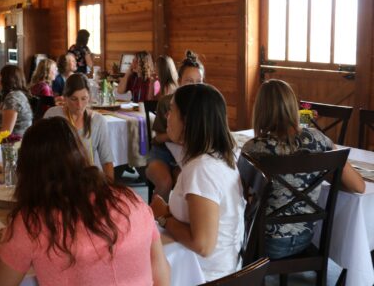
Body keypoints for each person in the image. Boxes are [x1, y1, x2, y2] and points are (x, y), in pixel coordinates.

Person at [0, 117, 170, 286]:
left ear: (28, 173)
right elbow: (162, 279)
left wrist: (9, 241)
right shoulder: (133, 202)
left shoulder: (33, 223)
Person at [241, 79, 364, 259]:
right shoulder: (320, 141)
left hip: (264, 242)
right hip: (305, 239)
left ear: (260, 110)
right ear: (294, 106)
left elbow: (242, 196)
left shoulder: (253, 149)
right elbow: (359, 186)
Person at [150, 83, 245, 282]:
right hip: (209, 265)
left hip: (205, 275)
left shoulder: (203, 169)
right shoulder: (215, 157)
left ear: (188, 120)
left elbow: (203, 244)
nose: (167, 117)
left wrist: (164, 216)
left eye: (172, 110)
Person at [146, 52, 206, 199]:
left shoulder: (205, 106)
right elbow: (157, 139)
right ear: (179, 81)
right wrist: (177, 137)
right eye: (189, 81)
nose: (194, 86)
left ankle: (177, 218)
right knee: (165, 182)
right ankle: (154, 220)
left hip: (187, 155)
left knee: (187, 182)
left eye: (199, 81)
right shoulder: (167, 103)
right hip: (162, 153)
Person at [44, 73, 114, 179]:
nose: (79, 105)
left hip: (87, 181)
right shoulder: (52, 115)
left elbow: (107, 161)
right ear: (65, 98)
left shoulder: (98, 121)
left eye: (84, 98)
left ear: (89, 97)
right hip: (58, 180)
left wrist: (110, 191)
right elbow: (41, 153)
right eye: (74, 99)